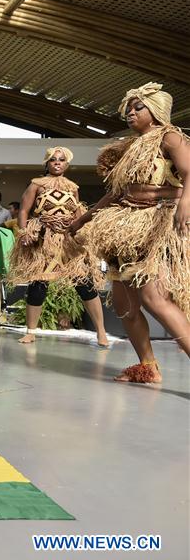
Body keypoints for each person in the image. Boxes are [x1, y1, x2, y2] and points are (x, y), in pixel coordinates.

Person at [71, 83, 190, 383]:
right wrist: (82, 219)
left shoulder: (170, 137)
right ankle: (147, 366)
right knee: (125, 305)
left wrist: (185, 203)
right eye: (129, 108)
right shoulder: (128, 147)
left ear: (156, 110)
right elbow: (115, 193)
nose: (130, 112)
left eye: (139, 107)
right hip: (124, 229)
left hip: (157, 224)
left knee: (155, 298)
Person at [7, 147, 109, 347]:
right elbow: (24, 210)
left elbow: (78, 214)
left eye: (61, 160)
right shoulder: (37, 184)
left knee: (84, 284)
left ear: (67, 164)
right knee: (38, 285)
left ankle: (101, 332)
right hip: (45, 240)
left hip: (69, 242)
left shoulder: (73, 187)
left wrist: (83, 235)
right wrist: (25, 232)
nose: (57, 163)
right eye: (53, 160)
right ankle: (31, 331)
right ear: (47, 163)